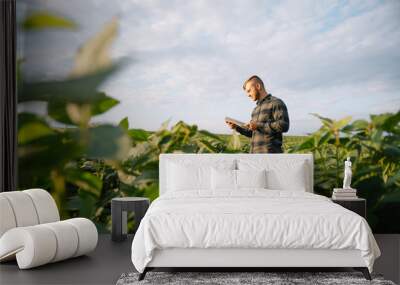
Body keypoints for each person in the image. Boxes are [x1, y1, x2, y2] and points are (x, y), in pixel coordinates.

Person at [226, 75, 289, 153]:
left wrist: (258, 125)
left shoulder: (276, 102)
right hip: (255, 155)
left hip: (270, 156)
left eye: (249, 91)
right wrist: (237, 127)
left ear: (258, 86)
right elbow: (252, 133)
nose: (248, 95)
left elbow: (283, 125)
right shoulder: (255, 110)